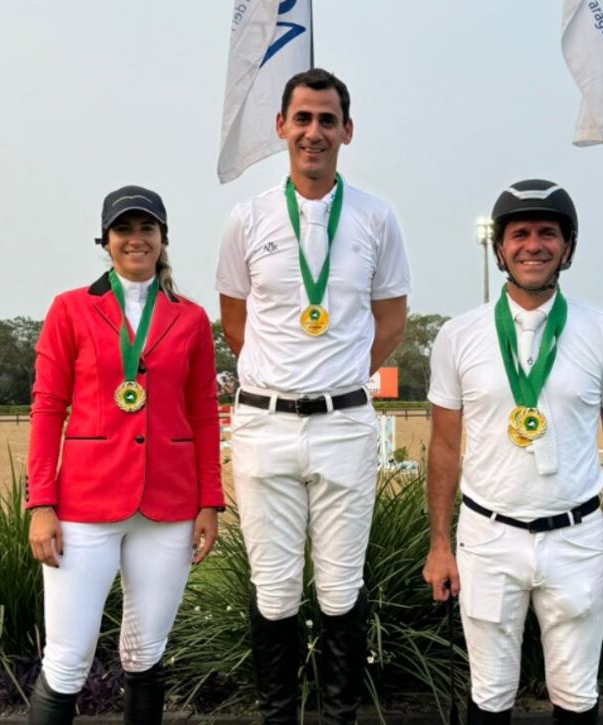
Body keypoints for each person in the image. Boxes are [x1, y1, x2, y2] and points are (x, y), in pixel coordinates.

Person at [217, 68, 410, 723]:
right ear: (281, 128)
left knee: (338, 588)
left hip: (344, 424)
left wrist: (343, 369)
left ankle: (339, 716)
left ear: (347, 131)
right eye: (302, 119)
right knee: (273, 592)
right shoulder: (248, 217)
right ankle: (277, 715)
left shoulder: (377, 216)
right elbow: (236, 318)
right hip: (265, 425)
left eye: (327, 120)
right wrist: (283, 374)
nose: (314, 132)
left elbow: (392, 316)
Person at [423, 179, 603, 724]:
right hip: (488, 537)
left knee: (576, 696)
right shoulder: (459, 335)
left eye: (548, 233)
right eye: (519, 233)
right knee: (490, 696)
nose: (534, 245)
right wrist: (439, 543)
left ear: (567, 247)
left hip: (575, 537)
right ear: (499, 248)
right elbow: (444, 447)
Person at [26, 185, 224, 724]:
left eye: (146, 229)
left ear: (163, 239)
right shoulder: (70, 309)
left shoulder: (191, 318)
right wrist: (40, 503)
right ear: (106, 241)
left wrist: (211, 501)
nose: (136, 240)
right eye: (124, 230)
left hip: (169, 507)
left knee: (146, 655)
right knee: (67, 660)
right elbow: (47, 409)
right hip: (85, 506)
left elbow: (205, 413)